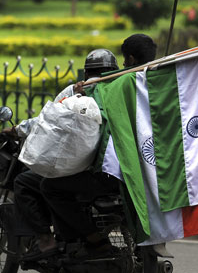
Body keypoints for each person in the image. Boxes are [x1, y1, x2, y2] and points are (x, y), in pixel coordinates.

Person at [12, 34, 158, 261]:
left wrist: (17, 129)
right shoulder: (149, 87)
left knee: (48, 186)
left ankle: (77, 240)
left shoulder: (96, 90)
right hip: (136, 172)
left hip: (103, 171)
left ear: (128, 59)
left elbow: (46, 121)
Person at [10, 48, 121, 261]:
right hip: (118, 171)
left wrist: (18, 129)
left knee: (36, 184)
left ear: (86, 72)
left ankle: (50, 240)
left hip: (93, 171)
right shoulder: (123, 92)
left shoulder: (75, 92)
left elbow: (47, 121)